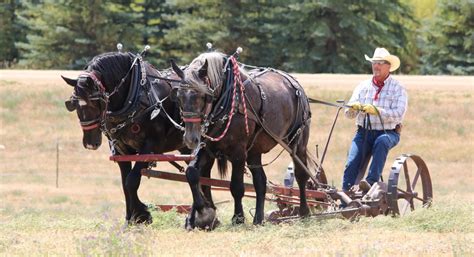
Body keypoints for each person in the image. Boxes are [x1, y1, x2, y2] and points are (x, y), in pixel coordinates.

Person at [342, 47, 408, 193]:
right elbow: (348, 114)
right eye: (374, 62)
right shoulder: (363, 86)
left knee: (382, 141)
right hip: (363, 133)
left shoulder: (398, 88)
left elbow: (398, 114)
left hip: (388, 132)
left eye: (380, 63)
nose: (376, 66)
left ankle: (371, 181)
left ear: (388, 66)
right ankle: (344, 201)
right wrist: (353, 108)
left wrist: (377, 111)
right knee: (351, 162)